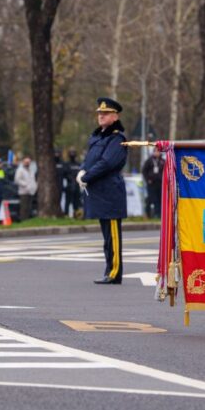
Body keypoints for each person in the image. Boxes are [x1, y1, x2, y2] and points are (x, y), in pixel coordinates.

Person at [78, 97, 128, 284]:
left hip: (110, 194)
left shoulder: (117, 139)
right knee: (106, 238)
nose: (101, 116)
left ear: (115, 116)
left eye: (105, 113)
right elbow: (91, 158)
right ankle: (109, 270)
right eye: (99, 113)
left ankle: (114, 272)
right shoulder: (99, 137)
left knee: (113, 237)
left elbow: (107, 163)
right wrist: (82, 169)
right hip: (100, 193)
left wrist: (86, 176)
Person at [141, 149, 164, 218]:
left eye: (158, 151)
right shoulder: (149, 161)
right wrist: (147, 179)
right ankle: (149, 214)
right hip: (151, 183)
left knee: (160, 199)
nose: (157, 153)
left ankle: (159, 214)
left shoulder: (162, 161)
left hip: (160, 183)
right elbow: (144, 171)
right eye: (156, 151)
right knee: (151, 199)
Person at [14, 156, 37, 222]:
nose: (27, 163)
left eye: (29, 162)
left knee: (29, 207)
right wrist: (26, 185)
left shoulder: (31, 170)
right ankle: (23, 220)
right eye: (26, 162)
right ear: (23, 162)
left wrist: (34, 186)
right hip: (23, 191)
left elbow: (33, 179)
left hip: (31, 191)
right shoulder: (20, 170)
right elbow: (17, 180)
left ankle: (28, 220)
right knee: (24, 207)